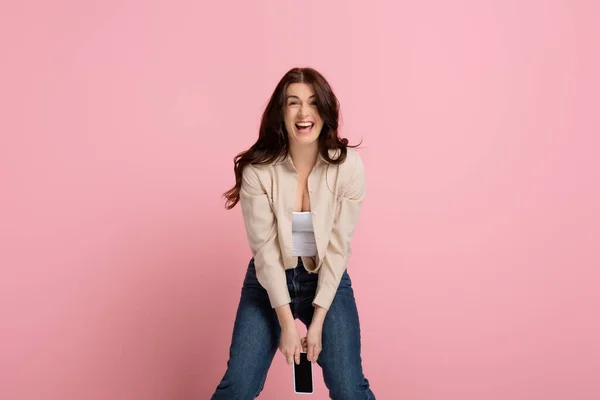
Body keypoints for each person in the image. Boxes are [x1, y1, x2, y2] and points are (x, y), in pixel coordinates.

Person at [212, 67, 376, 399]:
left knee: (349, 387)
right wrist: (287, 324)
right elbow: (266, 251)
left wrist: (317, 324)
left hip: (325, 278)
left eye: (314, 103)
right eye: (294, 103)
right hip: (269, 280)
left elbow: (338, 248)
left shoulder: (348, 167)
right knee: (238, 386)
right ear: (281, 112)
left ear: (326, 111)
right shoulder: (257, 170)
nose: (304, 113)